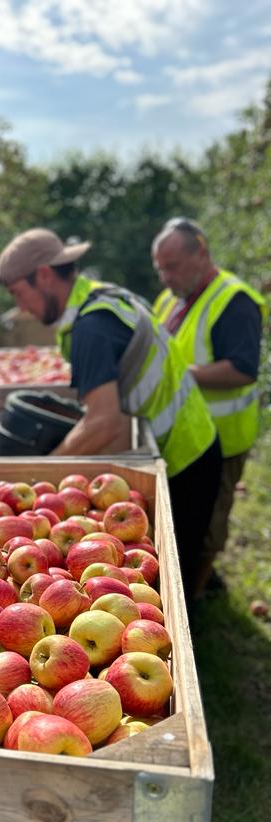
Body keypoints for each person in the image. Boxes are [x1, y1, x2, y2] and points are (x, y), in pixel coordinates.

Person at [0, 227, 222, 604]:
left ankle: (197, 634)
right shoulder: (104, 299)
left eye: (20, 293)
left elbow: (104, 422)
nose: (22, 308)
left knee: (174, 582)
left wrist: (41, 479)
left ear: (46, 276)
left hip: (185, 457)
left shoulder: (92, 327)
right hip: (191, 439)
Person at [151, 217, 266, 598]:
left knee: (209, 524)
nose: (165, 276)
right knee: (183, 519)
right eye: (160, 268)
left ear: (201, 253)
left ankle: (194, 600)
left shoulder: (234, 301)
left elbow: (242, 370)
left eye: (173, 265)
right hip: (181, 438)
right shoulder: (171, 299)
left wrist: (179, 375)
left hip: (221, 439)